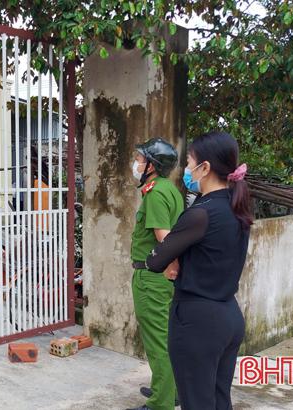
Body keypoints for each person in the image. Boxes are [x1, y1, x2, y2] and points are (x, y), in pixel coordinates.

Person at [145, 131, 253, 409]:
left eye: (190, 162)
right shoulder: (236, 207)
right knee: (218, 401)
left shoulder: (201, 213)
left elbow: (155, 260)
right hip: (229, 316)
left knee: (196, 403)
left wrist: (172, 259)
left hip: (198, 321)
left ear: (205, 168)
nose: (186, 169)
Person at [128, 138, 184, 410]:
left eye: (140, 159)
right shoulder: (170, 189)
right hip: (161, 278)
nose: (136, 163)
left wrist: (171, 265)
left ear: (152, 165)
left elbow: (165, 238)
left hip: (151, 278)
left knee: (157, 341)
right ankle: (169, 389)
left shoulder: (155, 193)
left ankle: (161, 403)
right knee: (167, 337)